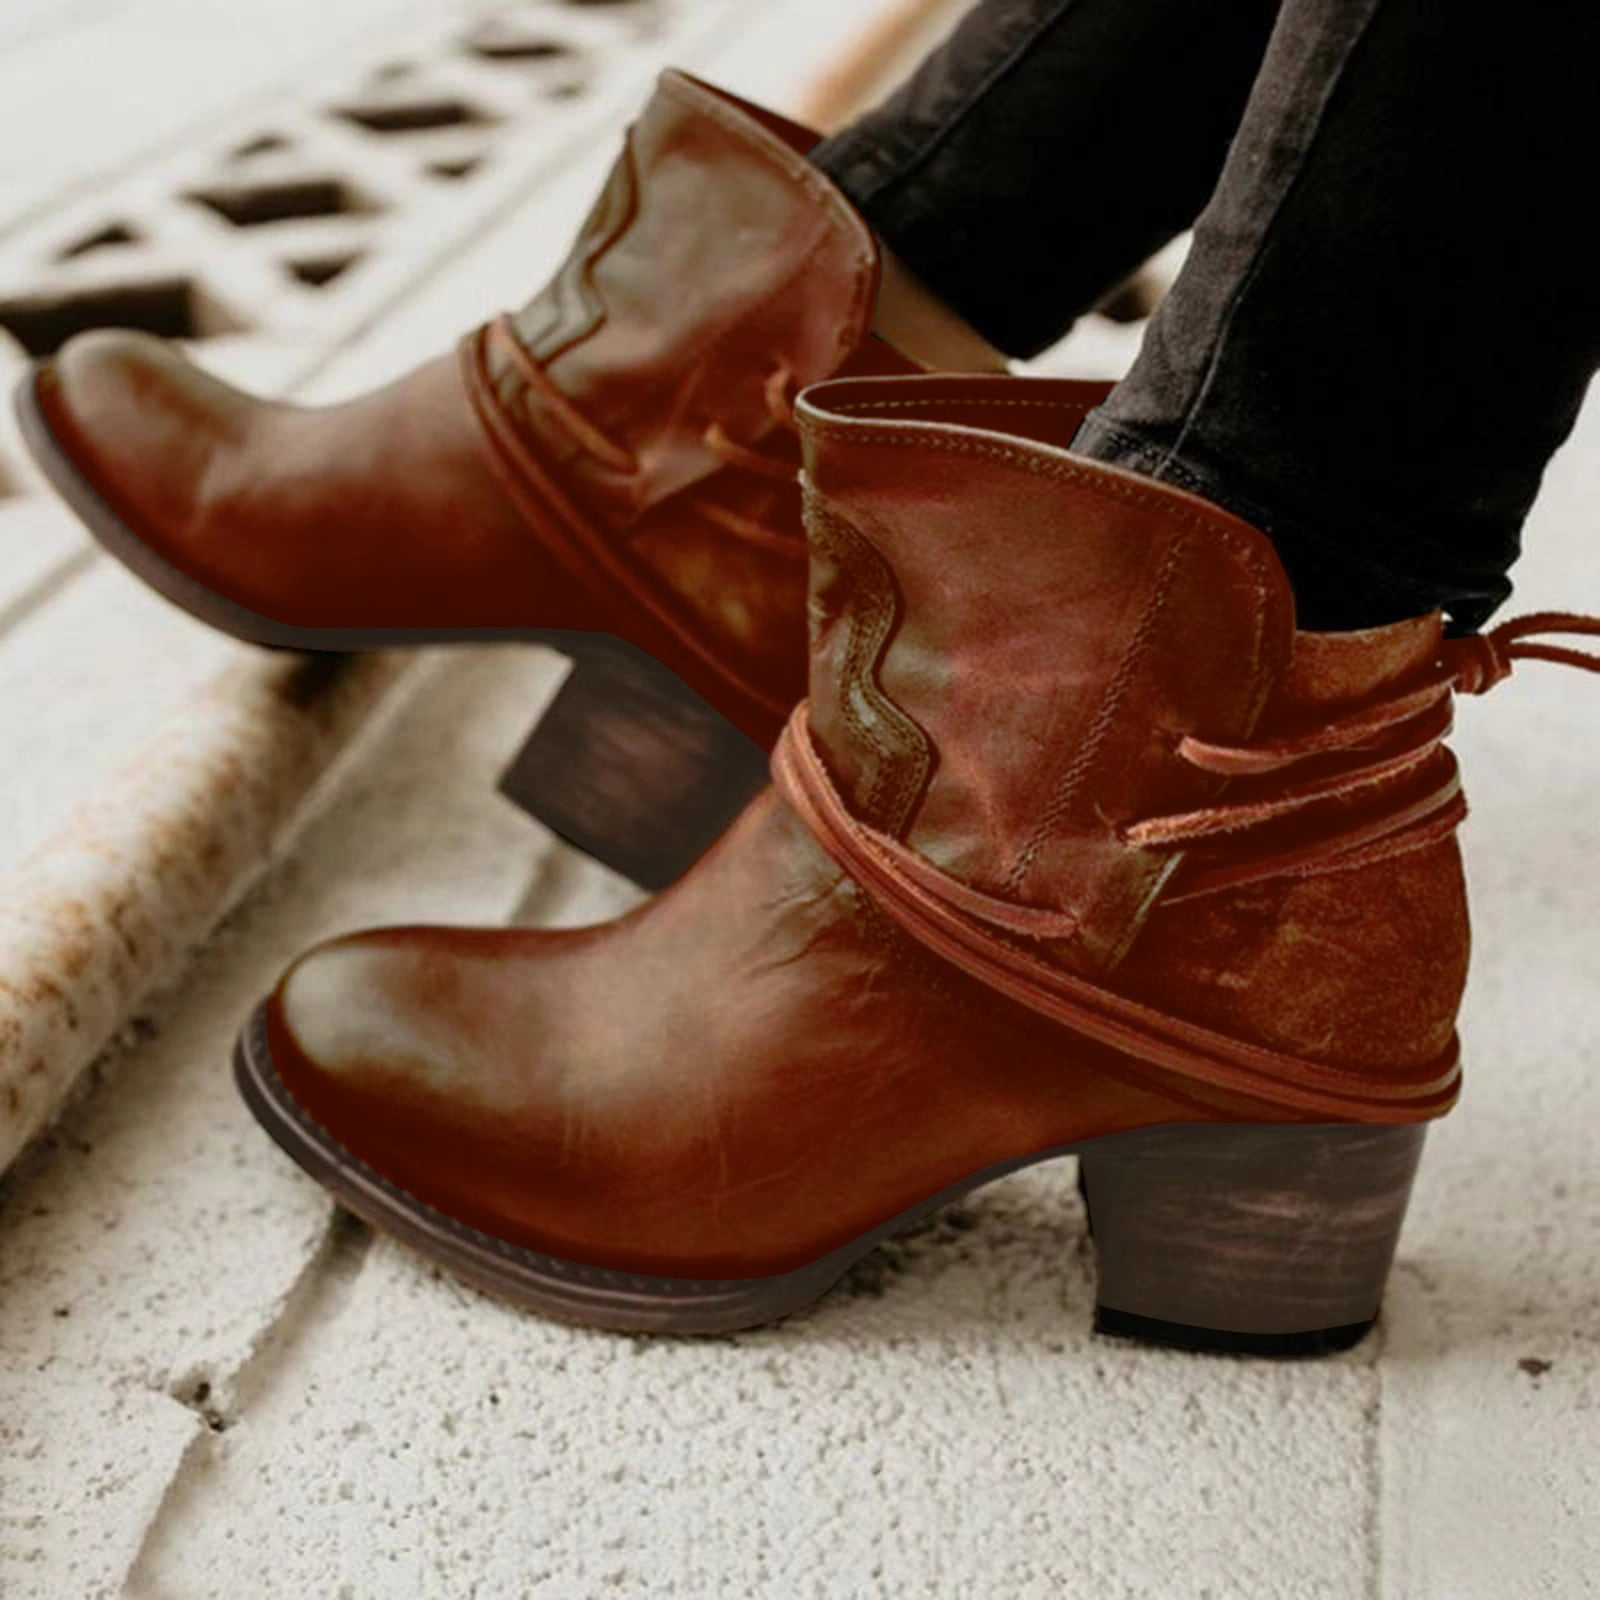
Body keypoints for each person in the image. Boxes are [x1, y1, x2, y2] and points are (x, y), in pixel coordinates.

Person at [30, 0, 1600, 1352]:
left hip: (1171, 856)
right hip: (1226, 880)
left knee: (1294, 534)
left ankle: (656, 458)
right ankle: (711, 389)